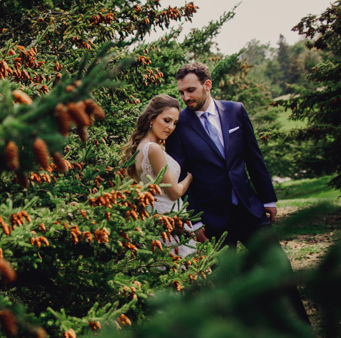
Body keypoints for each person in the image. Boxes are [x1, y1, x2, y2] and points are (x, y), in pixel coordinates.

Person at [166, 61, 311, 324]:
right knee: (228, 286)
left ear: (207, 85)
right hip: (211, 220)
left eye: (190, 90)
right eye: (182, 92)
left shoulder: (235, 111)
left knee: (280, 270)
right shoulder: (180, 124)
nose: (185, 97)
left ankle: (305, 333)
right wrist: (194, 219)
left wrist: (268, 198)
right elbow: (178, 173)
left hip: (250, 209)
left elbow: (254, 158)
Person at [120, 94, 196, 256]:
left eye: (175, 123)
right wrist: (190, 176)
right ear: (151, 119)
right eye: (166, 120)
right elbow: (174, 192)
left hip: (156, 217)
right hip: (168, 219)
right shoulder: (153, 149)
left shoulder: (142, 147)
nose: (171, 127)